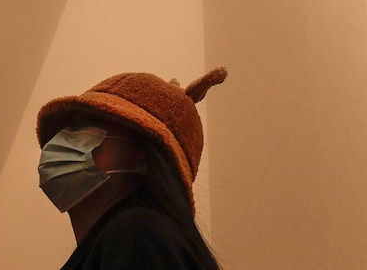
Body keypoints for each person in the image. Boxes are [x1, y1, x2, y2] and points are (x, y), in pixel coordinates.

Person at [36, 67, 227, 270]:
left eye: (83, 127)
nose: (62, 140)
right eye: (65, 130)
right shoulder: (129, 239)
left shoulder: (137, 235)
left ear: (142, 157)